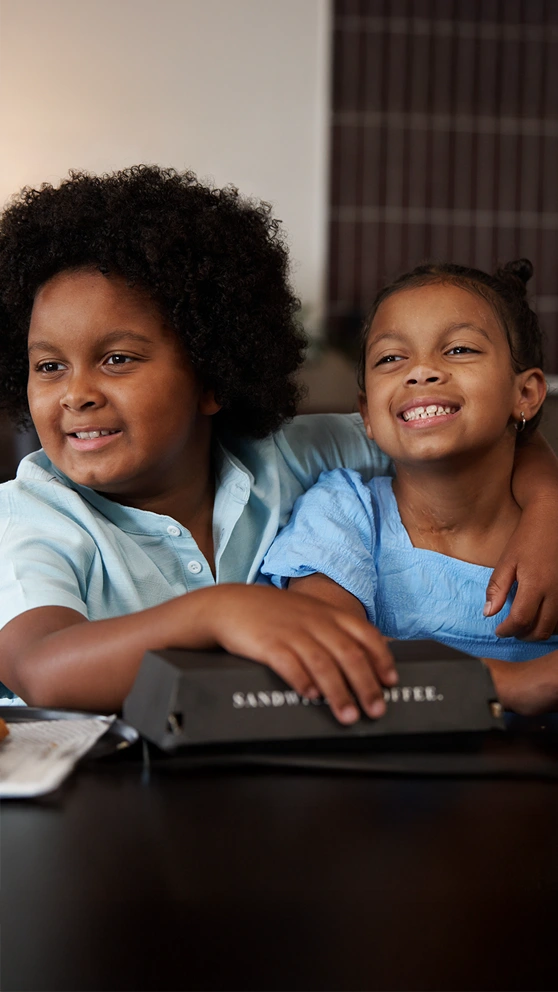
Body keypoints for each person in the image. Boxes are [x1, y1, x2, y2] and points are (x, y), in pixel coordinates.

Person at [0, 167, 556, 722]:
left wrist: (548, 510)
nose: (76, 394)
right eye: (49, 366)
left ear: (212, 377)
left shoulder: (290, 456)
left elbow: (459, 433)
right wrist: (215, 612)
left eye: (117, 359)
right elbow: (41, 668)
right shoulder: (31, 514)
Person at [261, 260, 558, 716]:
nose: (420, 371)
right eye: (390, 358)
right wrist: (512, 683)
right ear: (367, 414)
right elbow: (328, 648)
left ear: (526, 394)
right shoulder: (342, 514)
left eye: (459, 349)